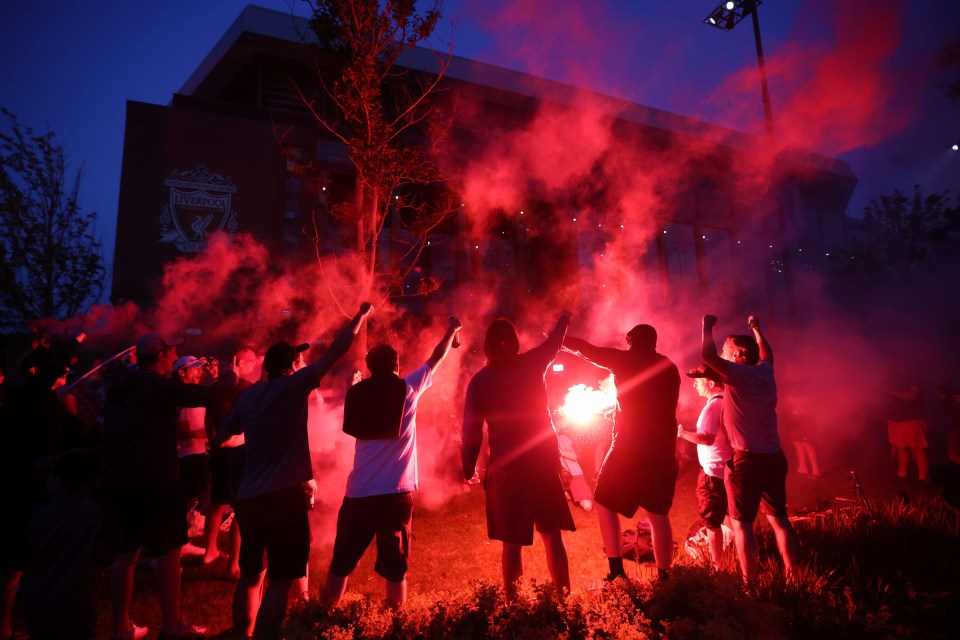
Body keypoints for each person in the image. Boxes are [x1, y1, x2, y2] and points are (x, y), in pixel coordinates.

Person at [215, 302, 373, 639]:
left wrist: (254, 434)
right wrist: (359, 317)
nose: (300, 363)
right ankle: (267, 636)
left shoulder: (248, 398)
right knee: (282, 578)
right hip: (283, 498)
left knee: (251, 575)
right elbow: (336, 350)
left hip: (250, 498)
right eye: (296, 360)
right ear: (289, 367)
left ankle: (244, 634)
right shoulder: (293, 387)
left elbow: (222, 438)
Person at [101, 332, 238, 640]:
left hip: (120, 480)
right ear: (160, 357)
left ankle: (120, 627)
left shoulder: (124, 385)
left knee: (126, 555)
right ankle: (173, 625)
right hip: (154, 480)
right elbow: (209, 396)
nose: (174, 357)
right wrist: (232, 374)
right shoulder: (155, 386)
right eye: (172, 353)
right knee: (170, 552)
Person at [325, 315, 462, 608]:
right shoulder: (408, 389)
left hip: (359, 493)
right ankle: (397, 622)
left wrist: (356, 383)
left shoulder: (357, 394)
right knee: (396, 568)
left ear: (371, 368)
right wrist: (451, 329)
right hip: (395, 494)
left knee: (341, 563)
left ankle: (324, 616)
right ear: (396, 367)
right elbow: (437, 357)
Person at [462, 312, 575, 602]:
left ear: (487, 346)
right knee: (552, 535)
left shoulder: (480, 382)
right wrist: (564, 318)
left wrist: (468, 465)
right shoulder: (532, 363)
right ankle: (564, 600)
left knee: (512, 542)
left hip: (506, 469)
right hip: (540, 463)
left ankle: (515, 608)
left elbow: (471, 430)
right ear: (513, 342)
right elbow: (554, 342)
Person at [564, 324, 680, 581]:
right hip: (661, 450)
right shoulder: (669, 367)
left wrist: (559, 338)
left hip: (629, 449)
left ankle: (616, 572)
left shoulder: (625, 360)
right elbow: (648, 402)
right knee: (658, 514)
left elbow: (586, 351)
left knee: (604, 503)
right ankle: (664, 577)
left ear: (630, 341)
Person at [700, 314, 800, 588]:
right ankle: (794, 579)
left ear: (738, 355)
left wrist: (707, 326)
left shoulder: (738, 373)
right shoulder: (765, 371)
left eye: (727, 349)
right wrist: (757, 329)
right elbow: (767, 353)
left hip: (747, 460)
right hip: (773, 456)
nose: (722, 352)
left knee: (742, 524)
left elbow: (707, 354)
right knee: (780, 519)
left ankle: (750, 584)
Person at [21, 448, 113, 640]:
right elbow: (110, 552)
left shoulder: (39, 516)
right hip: (83, 599)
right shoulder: (97, 512)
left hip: (41, 600)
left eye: (50, 475)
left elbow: (22, 556)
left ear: (59, 482)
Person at [202, 346, 260, 575]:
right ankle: (234, 564)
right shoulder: (246, 389)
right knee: (239, 507)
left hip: (218, 451)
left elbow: (208, 418)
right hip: (238, 452)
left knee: (217, 501)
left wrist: (212, 441)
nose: (255, 365)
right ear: (241, 363)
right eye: (252, 361)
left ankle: (210, 551)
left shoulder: (217, 389)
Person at [677, 375, 732, 569]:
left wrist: (682, 434)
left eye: (698, 381)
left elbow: (707, 438)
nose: (694, 384)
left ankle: (718, 567)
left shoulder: (712, 407)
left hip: (713, 471)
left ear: (710, 383)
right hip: (728, 469)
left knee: (712, 521)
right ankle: (740, 557)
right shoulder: (728, 400)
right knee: (731, 515)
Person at [173, 356, 209, 556]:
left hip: (197, 452)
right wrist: (210, 436)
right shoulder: (182, 396)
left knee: (191, 499)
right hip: (187, 454)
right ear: (182, 372)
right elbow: (180, 429)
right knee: (184, 499)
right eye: (194, 369)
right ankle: (176, 543)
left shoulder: (193, 393)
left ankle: (181, 539)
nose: (199, 372)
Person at [885, 381, 929, 481]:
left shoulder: (911, 373)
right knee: (900, 448)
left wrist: (888, 390)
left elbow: (913, 395)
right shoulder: (891, 376)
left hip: (912, 419)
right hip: (895, 419)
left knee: (917, 448)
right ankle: (901, 476)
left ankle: (922, 478)